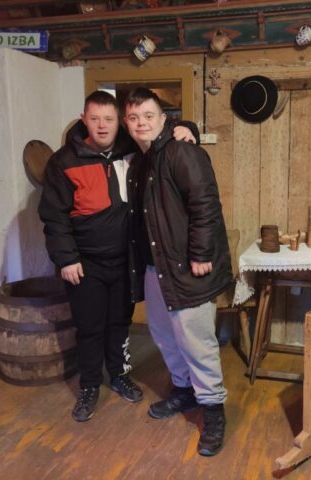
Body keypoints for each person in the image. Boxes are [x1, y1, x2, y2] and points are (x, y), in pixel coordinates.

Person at [38, 90, 197, 423]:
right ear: (83, 120)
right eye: (95, 119)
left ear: (119, 122)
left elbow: (160, 132)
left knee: (119, 323)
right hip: (85, 263)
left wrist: (189, 128)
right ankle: (89, 386)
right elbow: (54, 216)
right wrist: (66, 258)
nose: (102, 126)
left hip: (126, 259)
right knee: (90, 327)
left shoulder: (133, 150)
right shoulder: (63, 162)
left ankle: (119, 375)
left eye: (109, 119)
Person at [124, 87, 232, 456]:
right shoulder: (141, 160)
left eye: (148, 116)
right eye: (134, 118)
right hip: (155, 267)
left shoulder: (182, 151)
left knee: (196, 341)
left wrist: (201, 253)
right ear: (127, 123)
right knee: (164, 335)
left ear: (163, 119)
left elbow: (205, 203)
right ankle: (184, 391)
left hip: (187, 267)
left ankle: (214, 412)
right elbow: (87, 134)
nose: (141, 123)